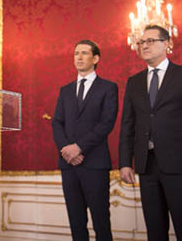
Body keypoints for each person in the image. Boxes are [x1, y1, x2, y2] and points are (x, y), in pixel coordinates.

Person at [119, 25, 182, 241]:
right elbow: (128, 126)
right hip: (147, 166)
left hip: (181, 166)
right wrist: (125, 162)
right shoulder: (134, 82)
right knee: (155, 232)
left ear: (167, 44)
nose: (144, 46)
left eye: (150, 41)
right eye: (142, 42)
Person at [52, 39, 118, 241]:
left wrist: (78, 148)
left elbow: (106, 123)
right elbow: (57, 123)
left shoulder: (108, 87)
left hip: (95, 163)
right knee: (76, 222)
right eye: (75, 54)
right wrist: (67, 150)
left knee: (101, 222)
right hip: (68, 165)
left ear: (95, 58)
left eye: (84, 53)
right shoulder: (65, 90)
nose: (78, 57)